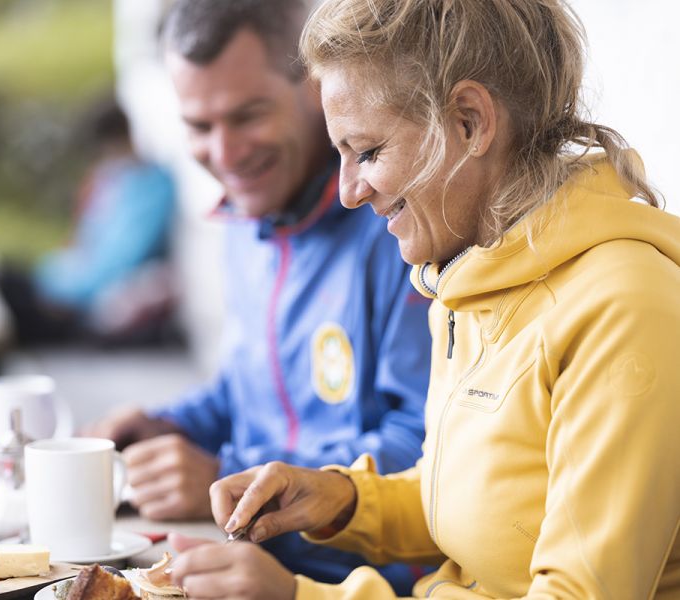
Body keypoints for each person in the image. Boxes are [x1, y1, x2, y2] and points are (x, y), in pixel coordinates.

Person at [163, 0, 680, 598]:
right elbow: (479, 503)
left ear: (469, 121)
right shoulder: (468, 280)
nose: (351, 192)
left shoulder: (624, 308)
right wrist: (343, 498)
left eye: (369, 151)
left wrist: (302, 596)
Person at [87, 0, 432, 589]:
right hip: (255, 562)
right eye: (198, 126)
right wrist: (164, 427)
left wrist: (227, 473)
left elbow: (431, 452)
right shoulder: (248, 220)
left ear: (312, 86)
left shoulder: (397, 223)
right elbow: (247, 390)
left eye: (247, 116)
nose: (224, 155)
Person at [0, 96, 177, 345]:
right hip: (64, 285)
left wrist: (57, 286)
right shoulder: (112, 180)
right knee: (0, 276)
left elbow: (116, 264)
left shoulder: (152, 188)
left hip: (80, 305)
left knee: (3, 289)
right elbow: (85, 242)